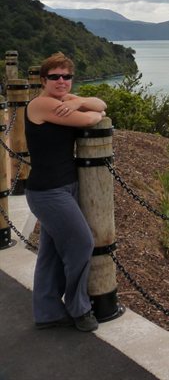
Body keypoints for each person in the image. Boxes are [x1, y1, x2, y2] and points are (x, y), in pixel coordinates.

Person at [24, 52, 107, 332]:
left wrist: (82, 102)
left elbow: (100, 105)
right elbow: (88, 120)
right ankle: (79, 308)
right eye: (55, 77)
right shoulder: (41, 103)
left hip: (65, 186)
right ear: (43, 80)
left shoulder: (64, 101)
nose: (61, 81)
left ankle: (47, 313)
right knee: (81, 243)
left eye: (67, 76)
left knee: (50, 252)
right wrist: (91, 113)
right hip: (48, 191)